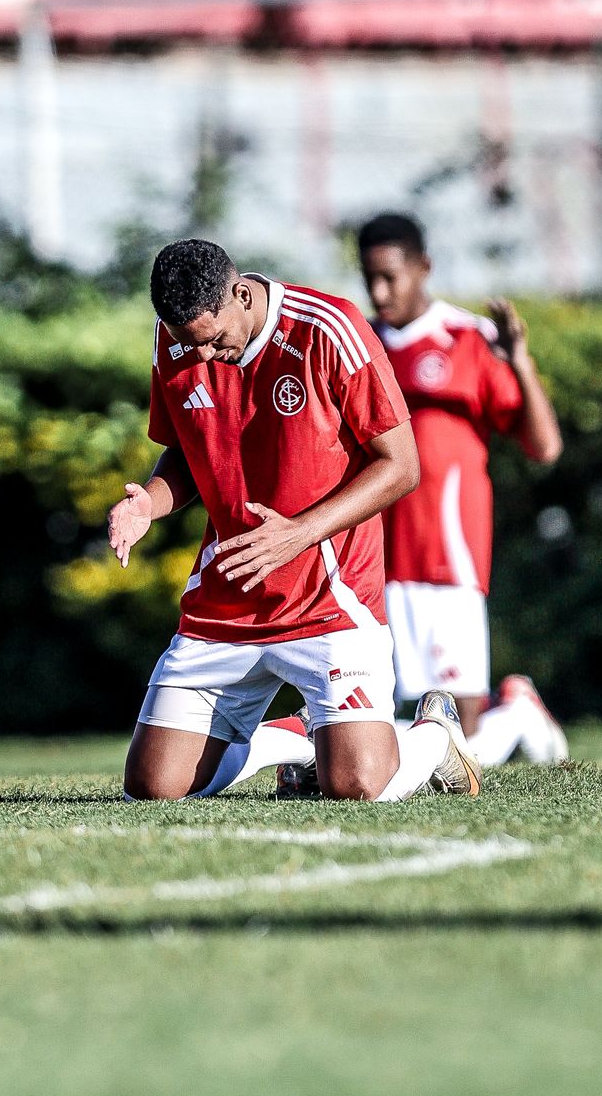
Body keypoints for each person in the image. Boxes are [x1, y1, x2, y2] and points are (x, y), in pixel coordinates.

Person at [108, 238, 481, 803]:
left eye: (213, 341)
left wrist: (299, 533)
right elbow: (187, 451)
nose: (204, 359)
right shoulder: (177, 340)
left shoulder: (328, 328)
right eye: (191, 346)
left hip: (329, 599)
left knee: (356, 786)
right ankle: (298, 734)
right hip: (229, 601)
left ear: (239, 293)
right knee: (152, 788)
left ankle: (433, 735)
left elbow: (401, 466)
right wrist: (148, 504)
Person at [359, 210, 568, 768]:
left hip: (449, 551)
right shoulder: (360, 346)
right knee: (393, 719)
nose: (379, 292)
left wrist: (519, 361)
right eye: (369, 278)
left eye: (390, 277)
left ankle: (516, 712)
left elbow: (543, 447)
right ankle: (511, 716)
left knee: (461, 741)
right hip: (379, 554)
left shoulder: (468, 339)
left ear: (423, 267)